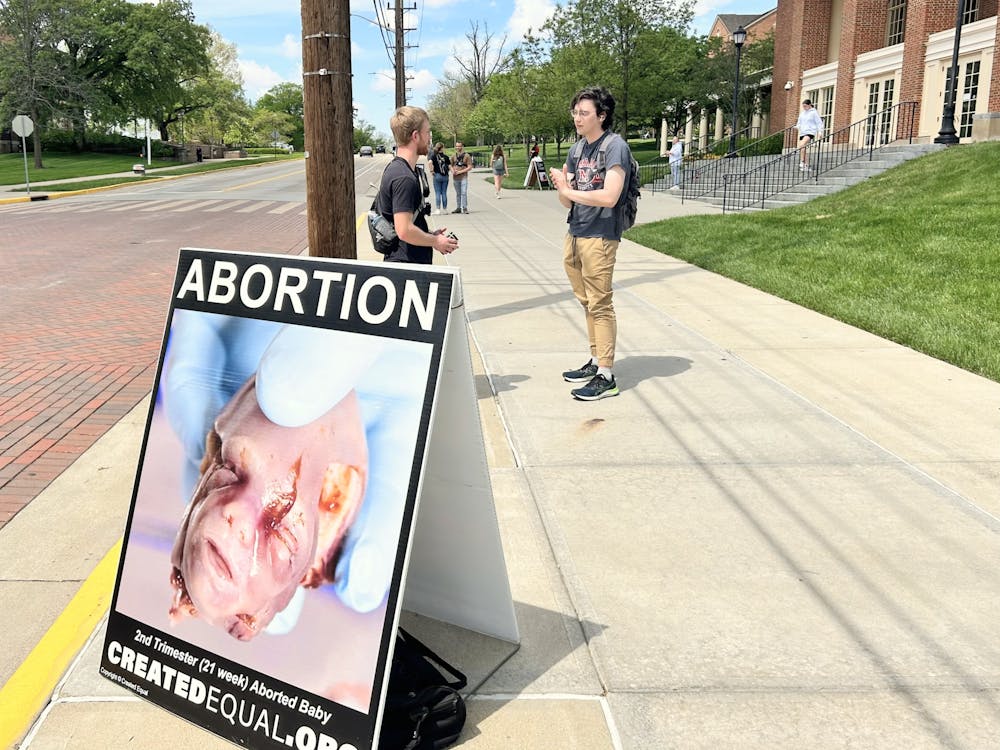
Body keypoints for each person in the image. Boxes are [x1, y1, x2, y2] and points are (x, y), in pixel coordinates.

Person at [548, 85, 632, 401]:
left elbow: (610, 196)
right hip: (576, 231)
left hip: (601, 234)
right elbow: (567, 202)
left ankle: (607, 376)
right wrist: (562, 186)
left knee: (600, 303)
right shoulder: (577, 150)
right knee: (586, 301)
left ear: (602, 115)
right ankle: (596, 360)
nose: (577, 118)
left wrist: (569, 190)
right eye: (575, 112)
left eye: (584, 113)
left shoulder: (615, 147)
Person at [377, 106, 458, 263]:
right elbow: (404, 230)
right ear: (415, 136)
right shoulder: (403, 177)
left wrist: (429, 235)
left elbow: (404, 223)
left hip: (407, 262)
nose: (429, 139)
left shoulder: (399, 169)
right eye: (427, 133)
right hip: (406, 267)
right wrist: (436, 241)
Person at [795, 99, 824, 171]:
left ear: (809, 105)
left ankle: (802, 161)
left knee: (802, 144)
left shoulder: (814, 113)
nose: (804, 108)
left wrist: (820, 132)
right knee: (802, 147)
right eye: (803, 106)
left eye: (805, 106)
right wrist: (797, 127)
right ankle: (807, 165)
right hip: (803, 132)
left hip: (810, 132)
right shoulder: (802, 113)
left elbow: (819, 123)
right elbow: (799, 122)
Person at [428, 142, 451, 215]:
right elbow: (449, 166)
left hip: (437, 175)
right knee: (444, 192)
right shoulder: (446, 157)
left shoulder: (434, 156)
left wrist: (431, 171)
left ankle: (438, 209)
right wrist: (453, 172)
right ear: (442, 148)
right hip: (445, 176)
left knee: (437, 192)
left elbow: (430, 162)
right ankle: (445, 209)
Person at [451, 141, 471, 214]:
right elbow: (450, 165)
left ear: (462, 147)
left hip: (463, 177)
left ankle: (464, 207)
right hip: (455, 177)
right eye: (457, 146)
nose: (458, 147)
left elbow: (470, 167)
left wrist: (460, 172)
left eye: (459, 146)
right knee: (458, 193)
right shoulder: (453, 156)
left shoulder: (467, 156)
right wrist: (453, 171)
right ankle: (458, 207)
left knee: (464, 192)